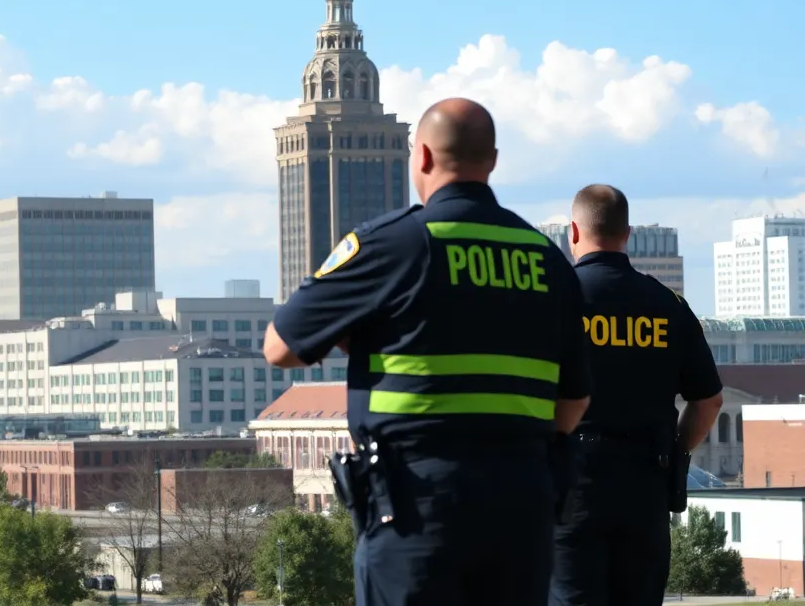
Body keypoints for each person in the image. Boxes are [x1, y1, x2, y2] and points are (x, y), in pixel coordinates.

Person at [264, 97, 592, 606]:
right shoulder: (547, 259)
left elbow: (280, 347)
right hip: (521, 507)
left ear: (420, 156)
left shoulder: (393, 244)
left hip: (417, 507)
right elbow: (573, 403)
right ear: (493, 160)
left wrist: (361, 332)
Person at [549, 184, 723, 606]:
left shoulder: (553, 299)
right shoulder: (668, 305)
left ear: (574, 232)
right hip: (645, 487)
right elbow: (709, 401)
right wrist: (678, 452)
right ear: (627, 234)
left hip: (571, 486)